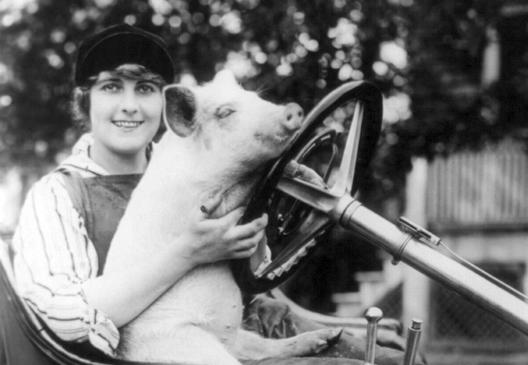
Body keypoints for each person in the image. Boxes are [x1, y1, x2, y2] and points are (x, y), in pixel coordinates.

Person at [10, 24, 417, 365]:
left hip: (231, 338)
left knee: (400, 358)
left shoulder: (210, 169)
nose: (130, 106)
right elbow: (65, 320)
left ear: (169, 108)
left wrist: (336, 333)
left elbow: (254, 289)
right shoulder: (57, 196)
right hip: (151, 352)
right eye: (112, 87)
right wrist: (189, 251)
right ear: (85, 99)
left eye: (147, 89)